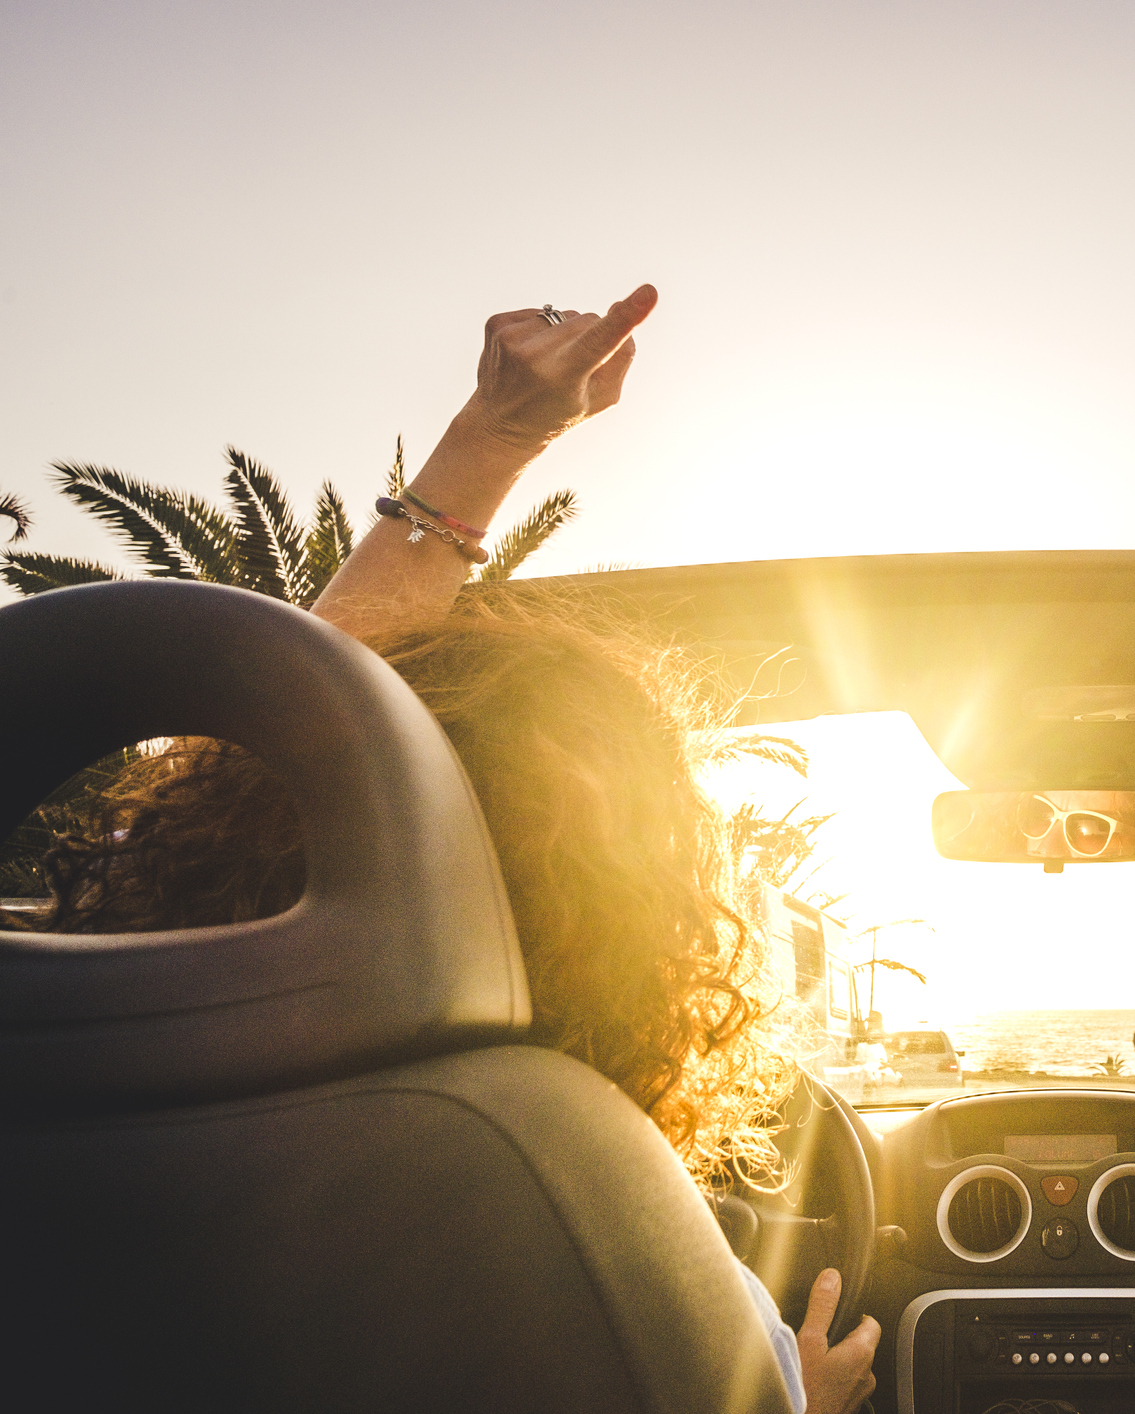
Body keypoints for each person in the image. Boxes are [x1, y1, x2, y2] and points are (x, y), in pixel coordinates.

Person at [24, 288, 880, 1414]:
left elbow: (296, 725)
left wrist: (493, 435)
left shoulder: (81, 1118)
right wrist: (796, 1393)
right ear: (644, 921)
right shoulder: (611, 1223)